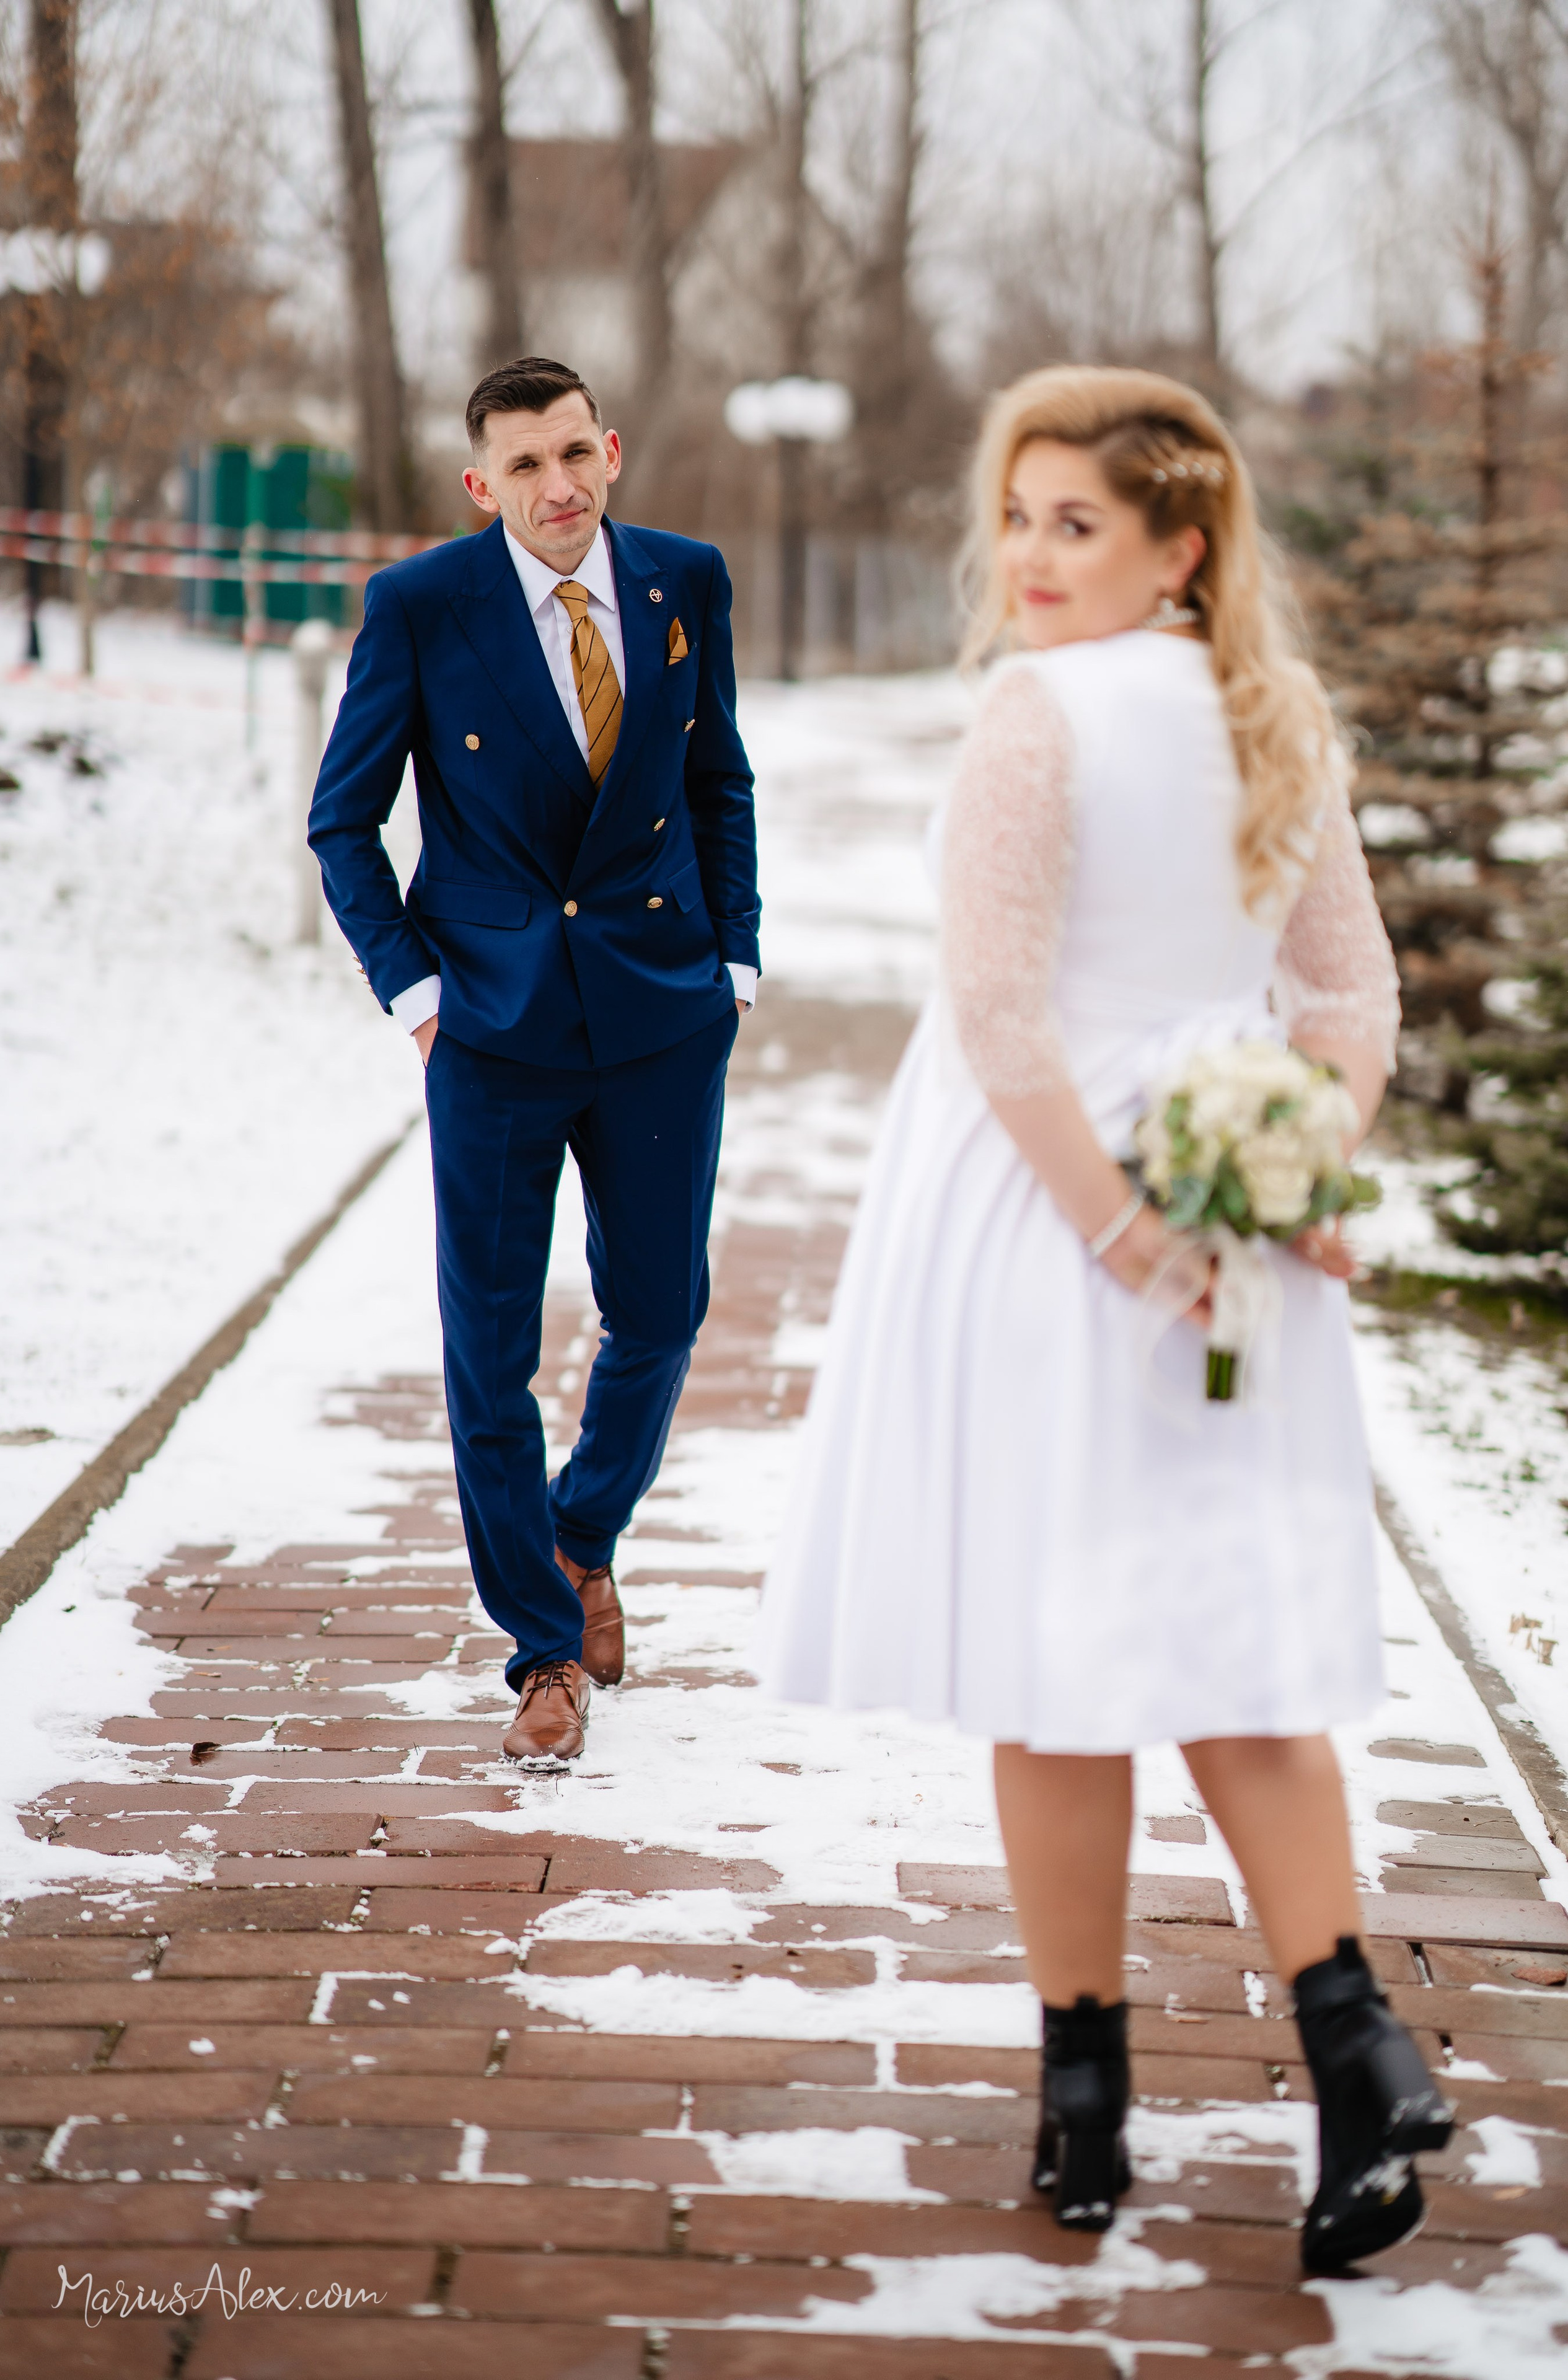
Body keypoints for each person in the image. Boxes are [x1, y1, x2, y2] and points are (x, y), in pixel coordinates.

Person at [756, 365, 1453, 2270]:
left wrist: (1145, 1225)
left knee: (1068, 1670)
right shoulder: (1269, 712)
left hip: (1057, 1230)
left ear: (1181, 545)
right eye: (1020, 517)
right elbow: (1347, 1017)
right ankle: (1351, 2043)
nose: (1032, 556)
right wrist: (1275, 1170)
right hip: (1216, 1233)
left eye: (1078, 522)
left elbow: (1006, 1022)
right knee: (1229, 1649)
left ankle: (1093, 2101)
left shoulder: (1037, 716)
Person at [310, 356, 759, 1766]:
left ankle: (578, 1534)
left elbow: (716, 778)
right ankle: (543, 1653)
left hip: (662, 1013)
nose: (555, 487)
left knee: (660, 1307)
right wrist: (417, 993)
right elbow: (344, 823)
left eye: (573, 454)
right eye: (523, 466)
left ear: (610, 451)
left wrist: (732, 957)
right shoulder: (423, 605)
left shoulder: (686, 580)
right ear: (479, 483)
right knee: (489, 1349)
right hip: (493, 1030)